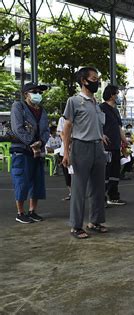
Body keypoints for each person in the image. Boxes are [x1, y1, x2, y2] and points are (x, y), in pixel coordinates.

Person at [62, 67, 108, 239]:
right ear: (84, 80)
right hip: (81, 146)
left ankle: (95, 221)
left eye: (97, 78)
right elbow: (67, 127)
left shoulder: (96, 103)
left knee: (98, 187)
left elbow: (94, 124)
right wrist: (66, 152)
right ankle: (76, 226)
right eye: (94, 78)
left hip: (97, 147)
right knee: (79, 188)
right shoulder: (74, 101)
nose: (97, 81)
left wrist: (100, 136)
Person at [10, 82, 49, 224]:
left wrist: (41, 143)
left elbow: (46, 131)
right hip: (22, 150)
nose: (38, 94)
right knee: (21, 180)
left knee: (37, 181)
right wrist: (32, 142)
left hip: (38, 151)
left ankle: (33, 211)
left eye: (39, 92)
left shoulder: (42, 111)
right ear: (26, 94)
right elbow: (17, 128)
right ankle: (20, 212)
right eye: (34, 91)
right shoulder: (18, 107)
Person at [100, 85, 128, 206]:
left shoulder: (116, 110)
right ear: (112, 95)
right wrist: (100, 135)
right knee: (105, 173)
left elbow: (118, 127)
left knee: (115, 173)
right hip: (105, 147)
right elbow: (96, 124)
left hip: (116, 146)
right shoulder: (101, 108)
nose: (118, 96)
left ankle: (113, 196)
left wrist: (124, 141)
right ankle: (101, 198)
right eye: (117, 93)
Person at [57, 115, 72, 200]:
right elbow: (61, 132)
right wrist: (67, 140)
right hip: (65, 151)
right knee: (67, 174)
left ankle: (77, 193)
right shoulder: (62, 119)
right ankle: (71, 192)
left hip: (78, 150)